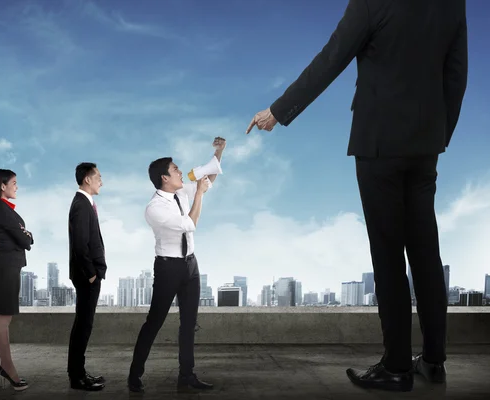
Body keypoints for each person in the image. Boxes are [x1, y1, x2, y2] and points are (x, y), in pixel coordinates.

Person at [246, 0, 468, 392]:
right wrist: (437, 136)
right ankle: (434, 361)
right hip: (425, 146)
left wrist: (279, 111)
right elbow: (456, 74)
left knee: (387, 257)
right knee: (426, 253)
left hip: (379, 144)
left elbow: (332, 58)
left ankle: (397, 367)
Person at [128, 137, 226, 393]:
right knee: (154, 322)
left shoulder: (181, 192)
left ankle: (186, 375)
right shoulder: (154, 208)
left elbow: (208, 180)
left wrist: (219, 152)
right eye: (175, 170)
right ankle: (134, 375)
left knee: (189, 323)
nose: (181, 171)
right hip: (168, 268)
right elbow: (190, 223)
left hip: (191, 266)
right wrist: (200, 195)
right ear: (164, 178)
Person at [0, 169, 33, 391]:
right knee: (2, 320)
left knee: (5, 319)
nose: (17, 186)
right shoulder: (2, 210)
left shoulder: (6, 210)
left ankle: (6, 365)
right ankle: (8, 368)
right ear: (2, 186)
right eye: (14, 182)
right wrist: (26, 234)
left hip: (9, 268)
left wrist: (26, 235)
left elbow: (25, 236)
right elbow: (24, 239)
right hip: (4, 268)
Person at [67, 162, 107, 392]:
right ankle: (77, 377)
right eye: (98, 176)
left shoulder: (85, 203)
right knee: (83, 325)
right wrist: (92, 274)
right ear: (87, 180)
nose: (102, 181)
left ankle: (80, 373)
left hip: (87, 275)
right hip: (86, 276)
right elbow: (81, 245)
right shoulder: (81, 205)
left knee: (84, 325)